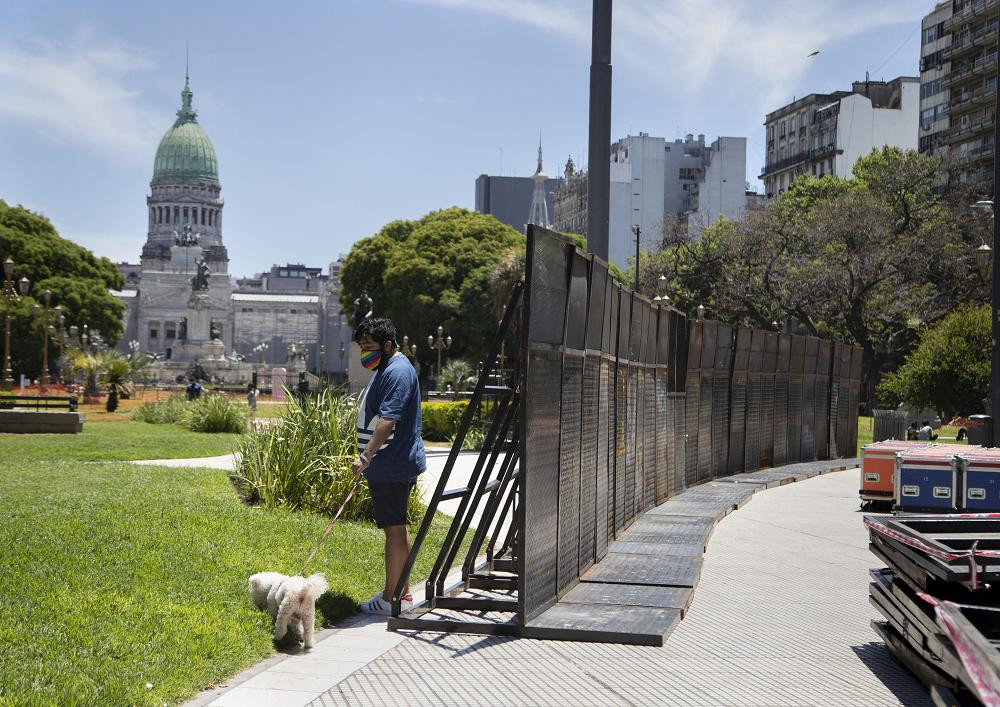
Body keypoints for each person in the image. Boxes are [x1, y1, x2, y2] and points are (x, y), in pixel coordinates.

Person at [351, 317, 426, 615]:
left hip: (390, 465)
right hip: (390, 465)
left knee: (394, 530)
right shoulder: (388, 367)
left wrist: (365, 455)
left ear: (388, 345)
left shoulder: (397, 372)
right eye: (361, 347)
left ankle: (390, 599)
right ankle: (401, 594)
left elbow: (388, 420)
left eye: (368, 347)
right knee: (397, 528)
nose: (364, 353)